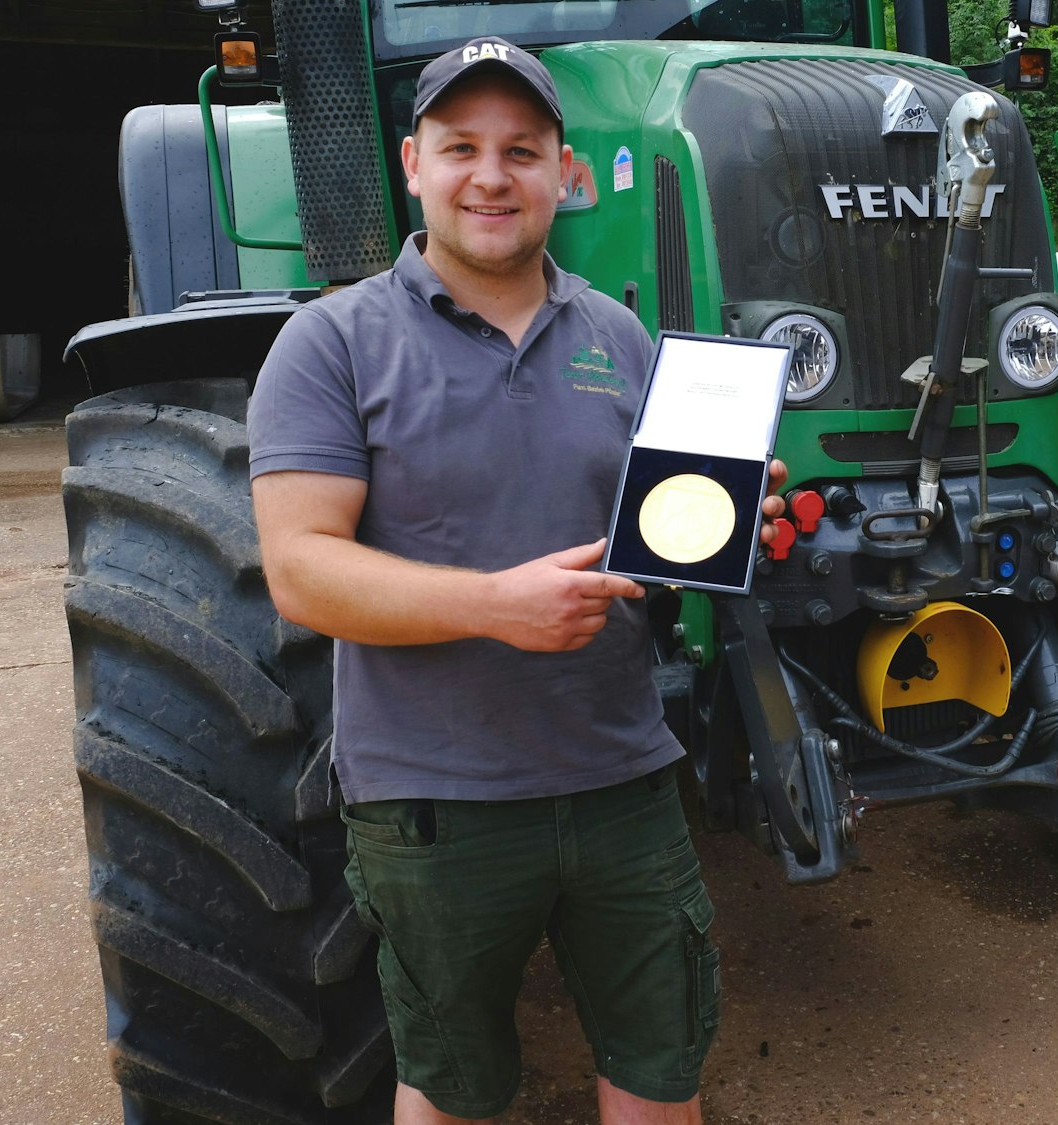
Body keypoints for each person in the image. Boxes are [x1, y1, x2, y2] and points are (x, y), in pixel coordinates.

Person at [246, 37, 785, 1125]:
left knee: (660, 1074)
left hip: (623, 780)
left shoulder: (618, 336)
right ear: (413, 164)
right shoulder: (329, 343)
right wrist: (495, 606)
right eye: (461, 148)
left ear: (565, 173)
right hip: (435, 806)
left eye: (522, 151)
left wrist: (724, 525)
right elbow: (301, 571)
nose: (491, 177)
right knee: (453, 1088)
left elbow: (644, 545)